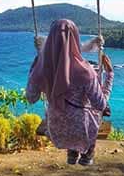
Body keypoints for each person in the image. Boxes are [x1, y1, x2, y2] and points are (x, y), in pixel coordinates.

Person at [27, 19, 114, 166]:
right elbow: (100, 104)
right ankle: (87, 153)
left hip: (56, 131)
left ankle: (72, 152)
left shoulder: (41, 69)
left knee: (66, 114)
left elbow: (31, 98)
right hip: (82, 130)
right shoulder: (86, 72)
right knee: (97, 110)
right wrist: (110, 75)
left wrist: (35, 67)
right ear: (75, 38)